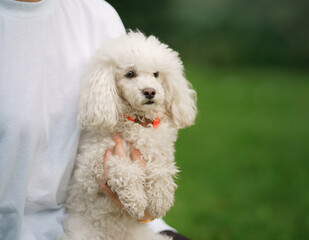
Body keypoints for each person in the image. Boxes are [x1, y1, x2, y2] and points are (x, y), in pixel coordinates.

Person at [0, 0, 188, 239]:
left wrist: (146, 209)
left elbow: (146, 211)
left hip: (132, 225)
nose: (148, 87)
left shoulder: (98, 14)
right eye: (130, 75)